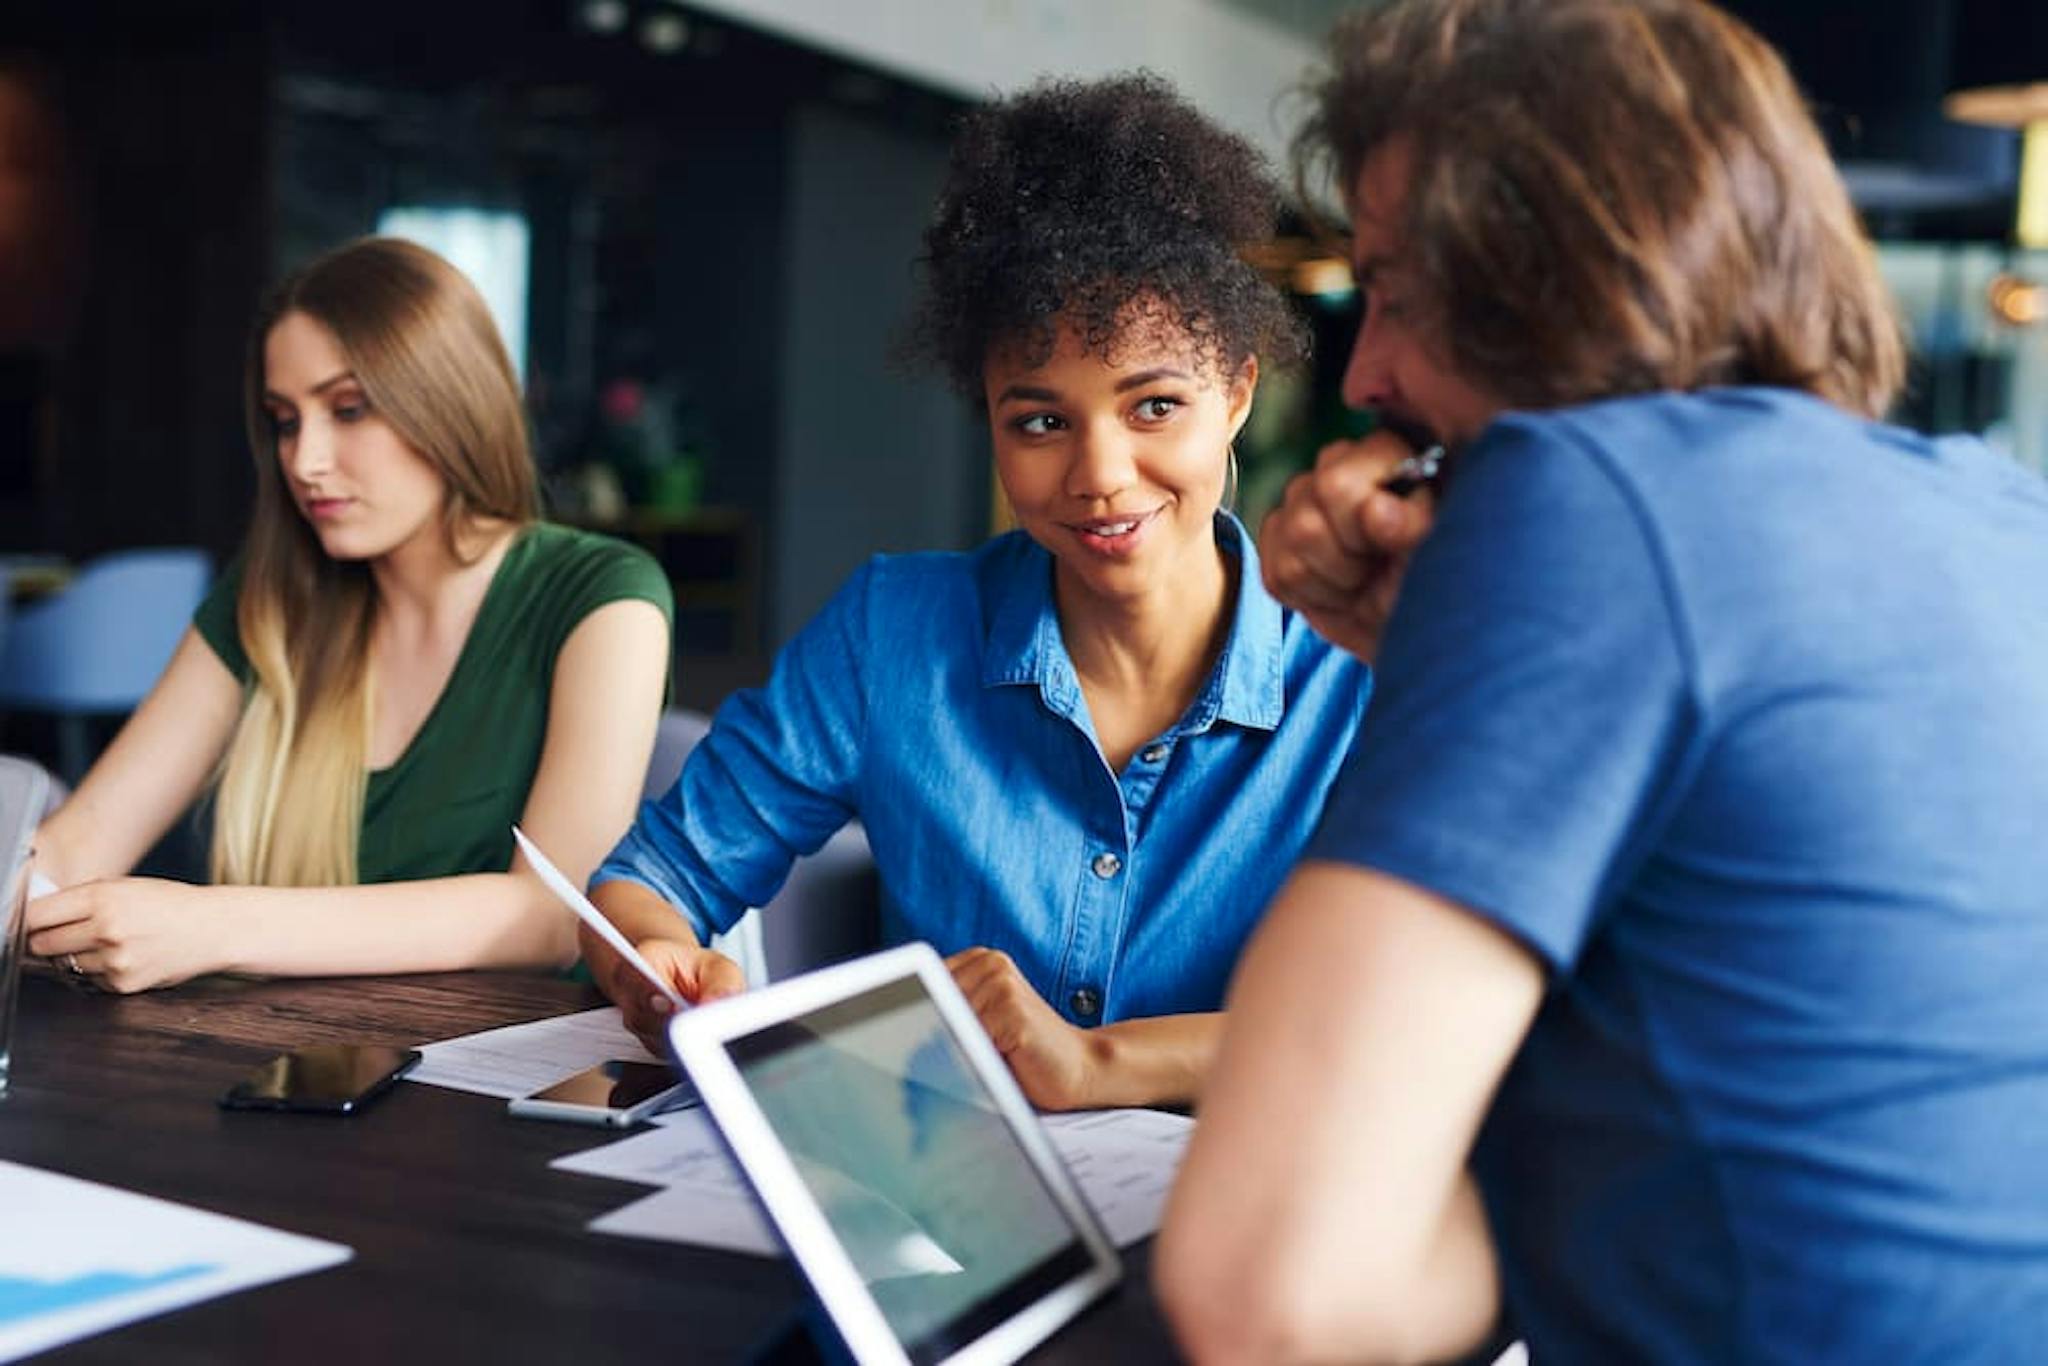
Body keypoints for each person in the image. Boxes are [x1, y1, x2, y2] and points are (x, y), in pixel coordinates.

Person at [1157, 0, 2048, 1360]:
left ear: (1548, 264)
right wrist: (1436, 657)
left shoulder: (1584, 495)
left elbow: (1279, 1289)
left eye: (1395, 289)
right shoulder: (2000, 515)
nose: (1371, 369)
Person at [583, 74, 1372, 1112]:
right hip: (953, 1219)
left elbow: (1381, 1026)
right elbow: (648, 879)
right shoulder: (892, 634)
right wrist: (659, 965)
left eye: (1154, 406)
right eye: (1039, 421)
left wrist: (1100, 1064)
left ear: (1234, 392)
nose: (1097, 474)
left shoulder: (1356, 679)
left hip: (1235, 1221)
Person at [26, 237, 673, 992]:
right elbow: (78, 844)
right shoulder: (273, 596)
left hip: (514, 1079)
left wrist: (211, 926)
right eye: (286, 420)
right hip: (293, 1069)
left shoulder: (602, 595)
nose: (305, 460)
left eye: (349, 409)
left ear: (449, 401)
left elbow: (550, 914)